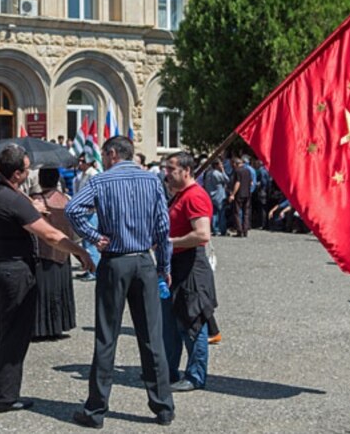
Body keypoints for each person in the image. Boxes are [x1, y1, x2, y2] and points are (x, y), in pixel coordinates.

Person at [0, 145, 94, 413]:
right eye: (26, 169)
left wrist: (28, 206)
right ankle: (5, 397)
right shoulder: (12, 199)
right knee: (13, 336)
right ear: (17, 174)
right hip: (13, 270)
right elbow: (50, 235)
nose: (29, 172)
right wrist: (80, 250)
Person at [66, 136, 175, 428]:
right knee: (152, 338)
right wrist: (164, 265)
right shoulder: (152, 181)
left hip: (115, 261)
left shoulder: (101, 181)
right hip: (143, 261)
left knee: (106, 337)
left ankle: (96, 410)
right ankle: (163, 407)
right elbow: (163, 229)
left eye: (104, 153)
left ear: (112, 153)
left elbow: (72, 210)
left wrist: (94, 237)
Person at [161, 151, 217, 392]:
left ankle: (195, 376)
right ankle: (169, 371)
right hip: (177, 264)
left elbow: (202, 234)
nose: (167, 174)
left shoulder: (195, 196)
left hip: (191, 266)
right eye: (166, 169)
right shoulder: (180, 195)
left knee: (192, 323)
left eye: (171, 169)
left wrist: (170, 242)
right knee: (172, 323)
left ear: (186, 170)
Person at [31, 168, 77, 339]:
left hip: (45, 251)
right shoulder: (67, 199)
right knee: (59, 291)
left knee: (44, 292)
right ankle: (58, 326)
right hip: (64, 250)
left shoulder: (38, 200)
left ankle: (42, 328)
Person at [74, 153, 100, 281]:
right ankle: (89, 268)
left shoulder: (93, 174)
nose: (80, 163)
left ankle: (94, 271)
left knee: (91, 243)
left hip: (91, 212)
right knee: (85, 242)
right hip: (83, 212)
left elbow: (96, 194)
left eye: (82, 161)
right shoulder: (82, 175)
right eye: (79, 160)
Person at [202, 158, 229, 236]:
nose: (222, 165)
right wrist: (223, 171)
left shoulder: (208, 173)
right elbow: (227, 180)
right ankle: (222, 229)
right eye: (220, 164)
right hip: (219, 195)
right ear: (217, 165)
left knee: (214, 213)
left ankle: (215, 229)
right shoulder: (217, 173)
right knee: (221, 213)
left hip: (210, 195)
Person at [228, 158, 252, 237]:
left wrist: (233, 194)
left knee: (237, 212)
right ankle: (245, 230)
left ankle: (239, 231)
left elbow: (237, 183)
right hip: (247, 194)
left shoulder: (237, 171)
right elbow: (251, 183)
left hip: (239, 194)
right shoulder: (248, 171)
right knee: (246, 212)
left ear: (236, 164)